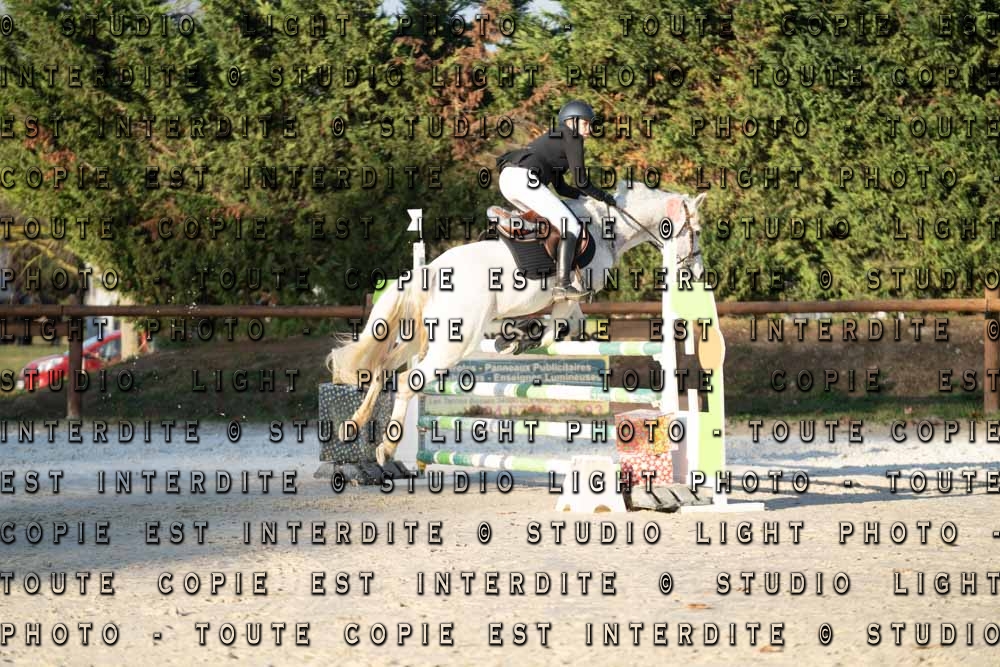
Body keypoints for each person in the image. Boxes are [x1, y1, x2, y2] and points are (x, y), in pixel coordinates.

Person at [496, 100, 617, 301]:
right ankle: (563, 285)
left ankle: (537, 268)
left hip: (509, 180)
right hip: (524, 179)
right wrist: (604, 198)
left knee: (548, 224)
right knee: (571, 225)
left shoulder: (556, 138)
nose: (589, 129)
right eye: (585, 123)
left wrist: (587, 198)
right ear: (572, 122)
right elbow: (581, 182)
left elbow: (562, 187)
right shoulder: (572, 136)